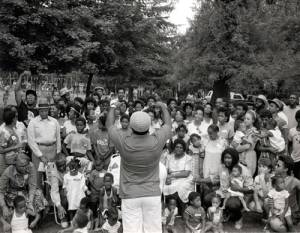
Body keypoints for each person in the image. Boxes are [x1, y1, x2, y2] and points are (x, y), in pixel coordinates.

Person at [107, 101, 171, 233]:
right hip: (152, 193)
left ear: (131, 125)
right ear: (149, 126)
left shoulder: (123, 141)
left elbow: (109, 125)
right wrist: (163, 107)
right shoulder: (157, 140)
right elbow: (168, 124)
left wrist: (113, 107)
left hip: (130, 194)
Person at [0, 154, 47, 228]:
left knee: (38, 193)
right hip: (12, 192)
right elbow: (0, 191)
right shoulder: (8, 171)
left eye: (26, 165)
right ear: (15, 164)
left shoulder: (31, 166)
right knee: (14, 204)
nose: (24, 168)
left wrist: (30, 202)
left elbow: (32, 186)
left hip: (27, 190)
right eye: (21, 166)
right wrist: (3, 206)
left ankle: (35, 220)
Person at [27, 98, 61, 187]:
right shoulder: (33, 122)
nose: (44, 113)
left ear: (48, 110)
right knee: (37, 176)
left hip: (52, 150)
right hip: (39, 150)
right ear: (38, 110)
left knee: (51, 177)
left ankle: (50, 198)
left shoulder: (54, 121)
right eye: (41, 111)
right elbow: (31, 140)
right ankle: (38, 198)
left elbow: (58, 137)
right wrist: (40, 155)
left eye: (45, 110)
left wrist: (58, 152)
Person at [164, 139, 194, 215]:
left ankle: (183, 210)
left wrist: (172, 175)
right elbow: (166, 170)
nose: (178, 149)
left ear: (184, 149)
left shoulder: (188, 158)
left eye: (181, 147)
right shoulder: (169, 157)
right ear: (174, 147)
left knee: (180, 188)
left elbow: (186, 173)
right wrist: (167, 178)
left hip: (185, 178)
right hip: (172, 179)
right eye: (177, 147)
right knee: (165, 187)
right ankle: (170, 211)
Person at [0, 107, 25, 174]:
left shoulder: (12, 129)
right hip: (6, 164)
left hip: (13, 161)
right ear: (13, 119)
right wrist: (16, 147)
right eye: (15, 117)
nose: (17, 119)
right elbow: (1, 150)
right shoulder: (5, 132)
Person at [236, 110, 259, 176]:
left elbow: (247, 146)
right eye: (245, 118)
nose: (245, 120)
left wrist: (237, 148)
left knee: (247, 176)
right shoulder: (243, 130)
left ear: (253, 120)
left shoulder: (254, 132)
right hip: (241, 155)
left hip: (249, 156)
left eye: (248, 119)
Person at [288, 110, 300, 179]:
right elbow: (289, 144)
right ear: (298, 119)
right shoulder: (292, 131)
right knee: (294, 176)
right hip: (294, 158)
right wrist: (290, 156)